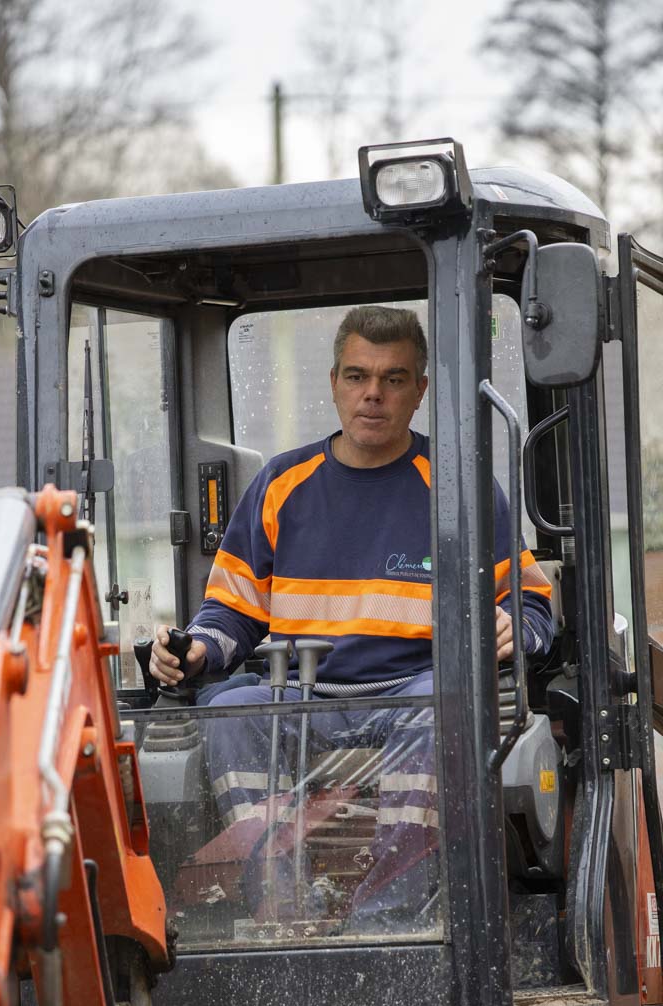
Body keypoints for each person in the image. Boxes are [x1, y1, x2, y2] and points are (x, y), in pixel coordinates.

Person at [150, 306, 554, 928]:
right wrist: (195, 650)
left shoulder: (456, 488)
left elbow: (529, 602)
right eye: (357, 375)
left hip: (412, 693)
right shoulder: (282, 484)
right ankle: (281, 909)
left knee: (442, 707)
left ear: (420, 391)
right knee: (232, 713)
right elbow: (230, 612)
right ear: (333, 382)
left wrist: (513, 631)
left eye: (394, 379)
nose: (373, 394)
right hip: (309, 695)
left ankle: (383, 921)